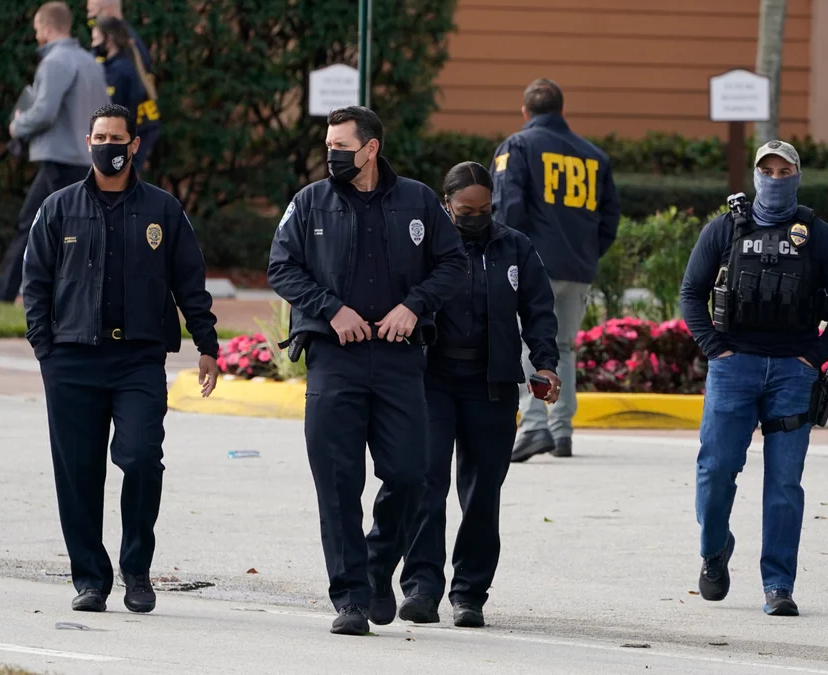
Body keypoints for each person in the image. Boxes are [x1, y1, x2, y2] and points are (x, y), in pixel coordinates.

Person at [266, 106, 468, 636]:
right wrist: (331, 309)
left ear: (371, 148)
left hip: (401, 360)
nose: (331, 154)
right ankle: (351, 598)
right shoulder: (310, 201)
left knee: (410, 476)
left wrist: (415, 305)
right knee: (337, 483)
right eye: (327, 146)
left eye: (341, 146)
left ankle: (378, 568)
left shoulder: (420, 200)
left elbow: (453, 263)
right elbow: (281, 266)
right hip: (335, 361)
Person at [21, 103, 221, 614]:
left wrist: (207, 345)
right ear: (88, 143)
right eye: (99, 137)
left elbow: (189, 284)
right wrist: (46, 350)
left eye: (117, 137)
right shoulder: (58, 207)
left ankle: (137, 569)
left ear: (134, 145)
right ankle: (90, 578)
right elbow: (35, 283)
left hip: (137, 361)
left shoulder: (163, 210)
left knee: (140, 459)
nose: (108, 145)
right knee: (78, 473)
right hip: (71, 361)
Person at [678, 140, 828, 617]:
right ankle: (714, 550)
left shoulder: (818, 235)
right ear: (755, 176)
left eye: (785, 171)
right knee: (715, 471)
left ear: (797, 176)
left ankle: (778, 585)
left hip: (791, 375)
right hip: (733, 368)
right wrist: (716, 349)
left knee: (784, 484)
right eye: (767, 170)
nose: (775, 179)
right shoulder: (725, 228)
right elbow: (691, 293)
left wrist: (815, 356)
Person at [397, 162, 561, 629]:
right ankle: (421, 588)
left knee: (483, 493)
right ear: (446, 204)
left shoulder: (515, 247)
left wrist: (544, 362)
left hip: (491, 384)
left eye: (485, 209)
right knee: (427, 484)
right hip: (431, 381)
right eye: (466, 210)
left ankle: (469, 593)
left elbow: (539, 311)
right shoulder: (425, 244)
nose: (476, 217)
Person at [489, 78, 621, 463]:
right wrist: (590, 254)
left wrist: (506, 257)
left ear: (526, 112)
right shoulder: (593, 155)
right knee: (562, 346)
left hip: (533, 265)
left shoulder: (517, 145)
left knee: (526, 343)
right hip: (578, 267)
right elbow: (610, 216)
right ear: (562, 111)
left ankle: (534, 426)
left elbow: (508, 209)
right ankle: (562, 430)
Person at [0, 1, 109, 304]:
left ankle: (6, 291)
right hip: (88, 158)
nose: (36, 34)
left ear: (47, 28)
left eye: (37, 28)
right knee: (78, 228)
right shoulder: (90, 62)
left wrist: (18, 126)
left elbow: (45, 112)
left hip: (60, 158)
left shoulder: (55, 62)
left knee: (34, 223)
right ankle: (74, 293)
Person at [92, 16, 160, 173]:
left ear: (108, 40)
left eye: (95, 39)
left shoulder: (120, 71)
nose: (93, 45)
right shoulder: (113, 67)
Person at [87, 0, 153, 73]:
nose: (88, 16)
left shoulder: (123, 47)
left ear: (105, 12)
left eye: (91, 11)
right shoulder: (131, 41)